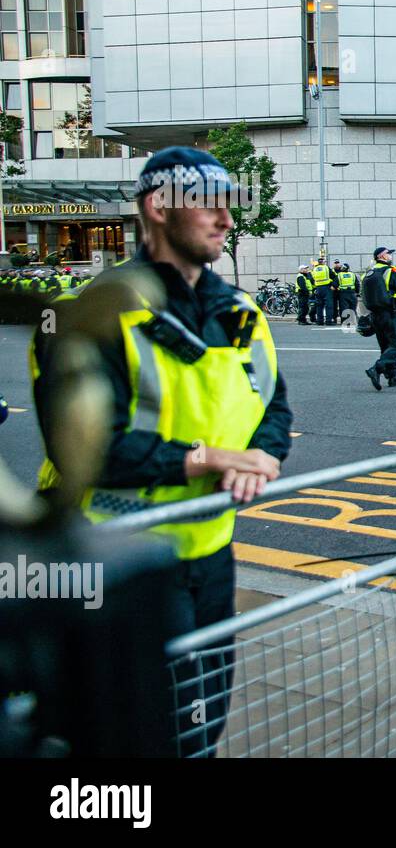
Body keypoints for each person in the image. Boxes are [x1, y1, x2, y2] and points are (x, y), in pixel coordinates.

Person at [32, 146, 292, 755]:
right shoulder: (89, 315)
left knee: (202, 719)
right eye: (210, 205)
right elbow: (90, 451)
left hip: (210, 551)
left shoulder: (243, 312)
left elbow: (275, 407)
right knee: (138, 731)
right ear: (159, 207)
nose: (228, 220)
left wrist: (264, 457)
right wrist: (212, 459)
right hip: (120, 561)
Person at [362, 246, 396, 389]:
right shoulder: (391, 271)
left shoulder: (367, 274)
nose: (390, 255)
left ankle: (392, 377)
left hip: (375, 316)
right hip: (390, 312)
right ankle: (377, 368)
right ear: (381, 256)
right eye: (388, 253)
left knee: (385, 345)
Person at [309, 255, 334, 325]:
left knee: (319, 306)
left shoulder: (314, 269)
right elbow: (333, 275)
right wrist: (332, 283)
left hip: (318, 288)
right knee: (328, 305)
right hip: (326, 288)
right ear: (323, 262)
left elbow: (311, 279)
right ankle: (328, 321)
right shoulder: (326, 268)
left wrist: (315, 286)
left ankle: (320, 321)